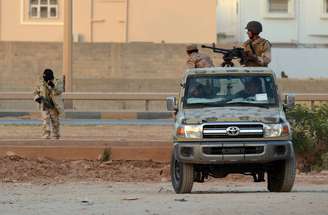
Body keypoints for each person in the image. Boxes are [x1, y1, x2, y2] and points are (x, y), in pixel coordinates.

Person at [33, 69, 64, 139]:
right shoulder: (41, 82)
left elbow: (60, 91)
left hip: (54, 105)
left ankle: (56, 135)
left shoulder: (57, 81)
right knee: (45, 120)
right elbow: (36, 91)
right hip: (44, 104)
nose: (45, 78)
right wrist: (37, 98)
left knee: (55, 121)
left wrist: (53, 86)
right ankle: (46, 135)